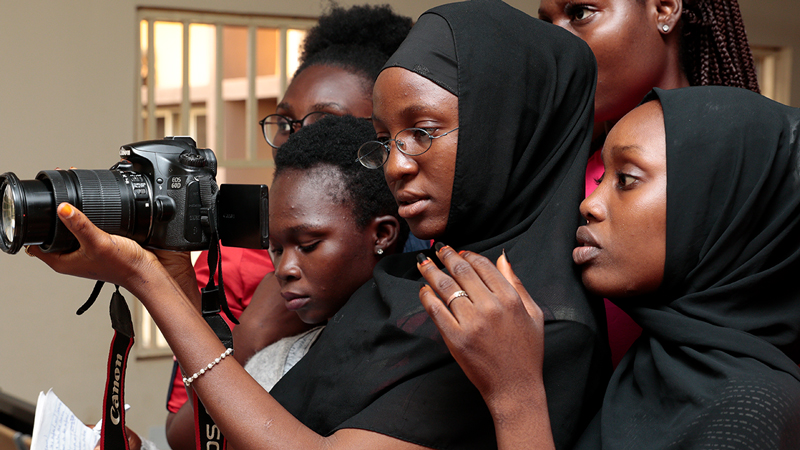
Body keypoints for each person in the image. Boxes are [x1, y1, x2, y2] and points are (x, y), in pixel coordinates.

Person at [30, 1, 607, 448]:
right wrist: (171, 275)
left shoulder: (530, 322)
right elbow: (256, 415)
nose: (397, 164)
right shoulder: (413, 276)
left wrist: (145, 279)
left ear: (510, 127)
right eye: (384, 141)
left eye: (422, 133)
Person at [419, 86, 800, 448]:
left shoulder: (754, 408)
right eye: (601, 179)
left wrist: (516, 397)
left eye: (626, 180)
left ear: (721, 209)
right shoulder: (657, 362)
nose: (590, 204)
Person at [164, 5, 413, 447]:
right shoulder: (236, 265)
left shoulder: (422, 257)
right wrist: (252, 338)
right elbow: (184, 437)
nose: (293, 141)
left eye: (326, 121)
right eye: (285, 122)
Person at [538, 0, 761, 367]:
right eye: (546, 23)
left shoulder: (752, 176)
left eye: (580, 13)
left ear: (664, 8)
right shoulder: (554, 179)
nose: (554, 44)